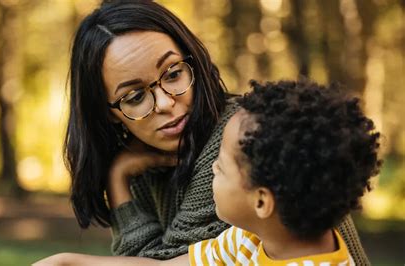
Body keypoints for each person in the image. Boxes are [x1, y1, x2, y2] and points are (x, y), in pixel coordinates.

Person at [63, 0, 370, 263]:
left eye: (173, 74)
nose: (165, 102)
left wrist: (117, 180)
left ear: (192, 61)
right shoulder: (145, 161)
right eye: (135, 97)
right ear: (108, 112)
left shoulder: (240, 142)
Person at [34, 79, 381, 265]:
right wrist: (68, 263)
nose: (211, 165)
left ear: (262, 201)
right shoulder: (252, 240)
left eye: (222, 165)